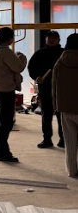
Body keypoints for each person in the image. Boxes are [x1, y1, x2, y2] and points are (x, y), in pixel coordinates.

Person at [0, 27, 27, 163]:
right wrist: (22, 58)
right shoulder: (6, 52)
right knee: (6, 122)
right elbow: (18, 67)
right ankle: (3, 153)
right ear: (10, 38)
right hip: (5, 91)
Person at [28, 31, 65, 149]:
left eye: (54, 38)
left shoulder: (63, 54)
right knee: (46, 114)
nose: (51, 40)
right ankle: (47, 139)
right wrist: (36, 77)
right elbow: (31, 68)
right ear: (46, 40)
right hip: (45, 87)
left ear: (59, 40)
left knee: (62, 114)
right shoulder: (40, 54)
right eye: (49, 38)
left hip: (61, 88)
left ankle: (63, 139)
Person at [52, 33, 78, 178]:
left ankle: (72, 170)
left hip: (66, 108)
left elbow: (54, 85)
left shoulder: (60, 61)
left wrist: (56, 104)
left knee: (70, 142)